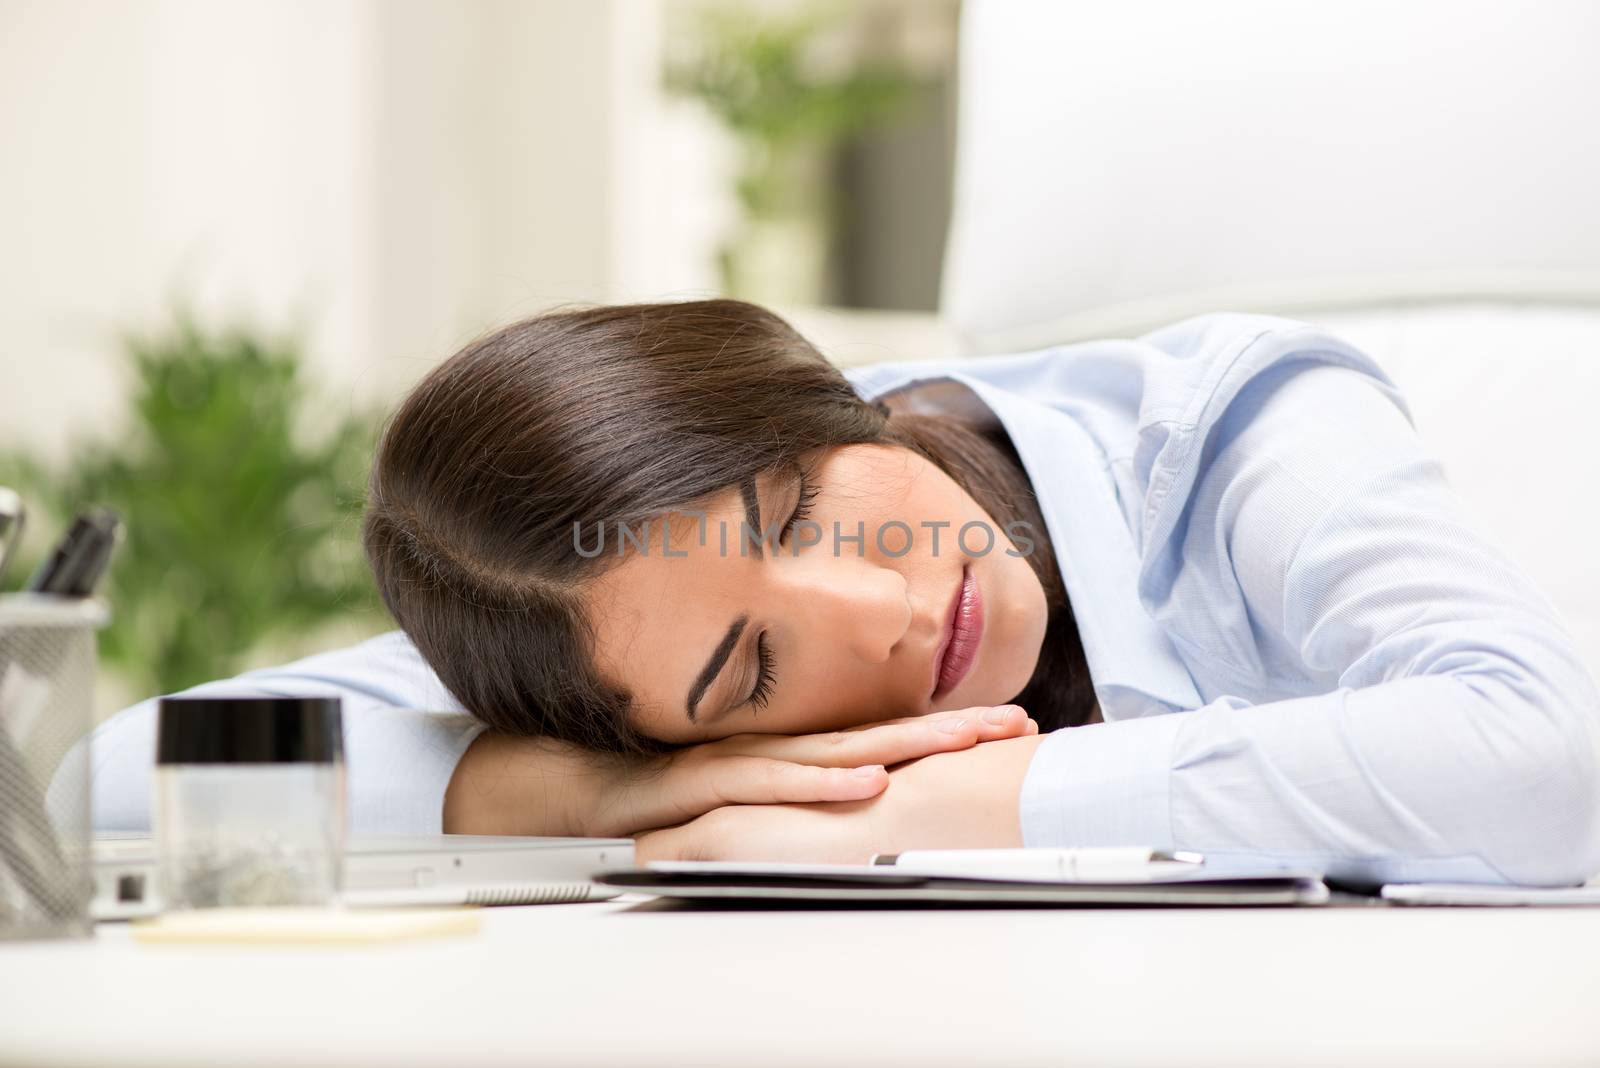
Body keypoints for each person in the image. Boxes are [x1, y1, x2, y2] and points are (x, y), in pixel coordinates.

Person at [89, 300, 1600, 885]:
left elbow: (1550, 764)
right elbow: (115, 776)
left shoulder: (1227, 434)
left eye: (803, 509)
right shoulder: (609, 627)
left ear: (825, 398)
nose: (873, 613)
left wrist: (889, 813)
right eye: (748, 676)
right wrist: (593, 796)